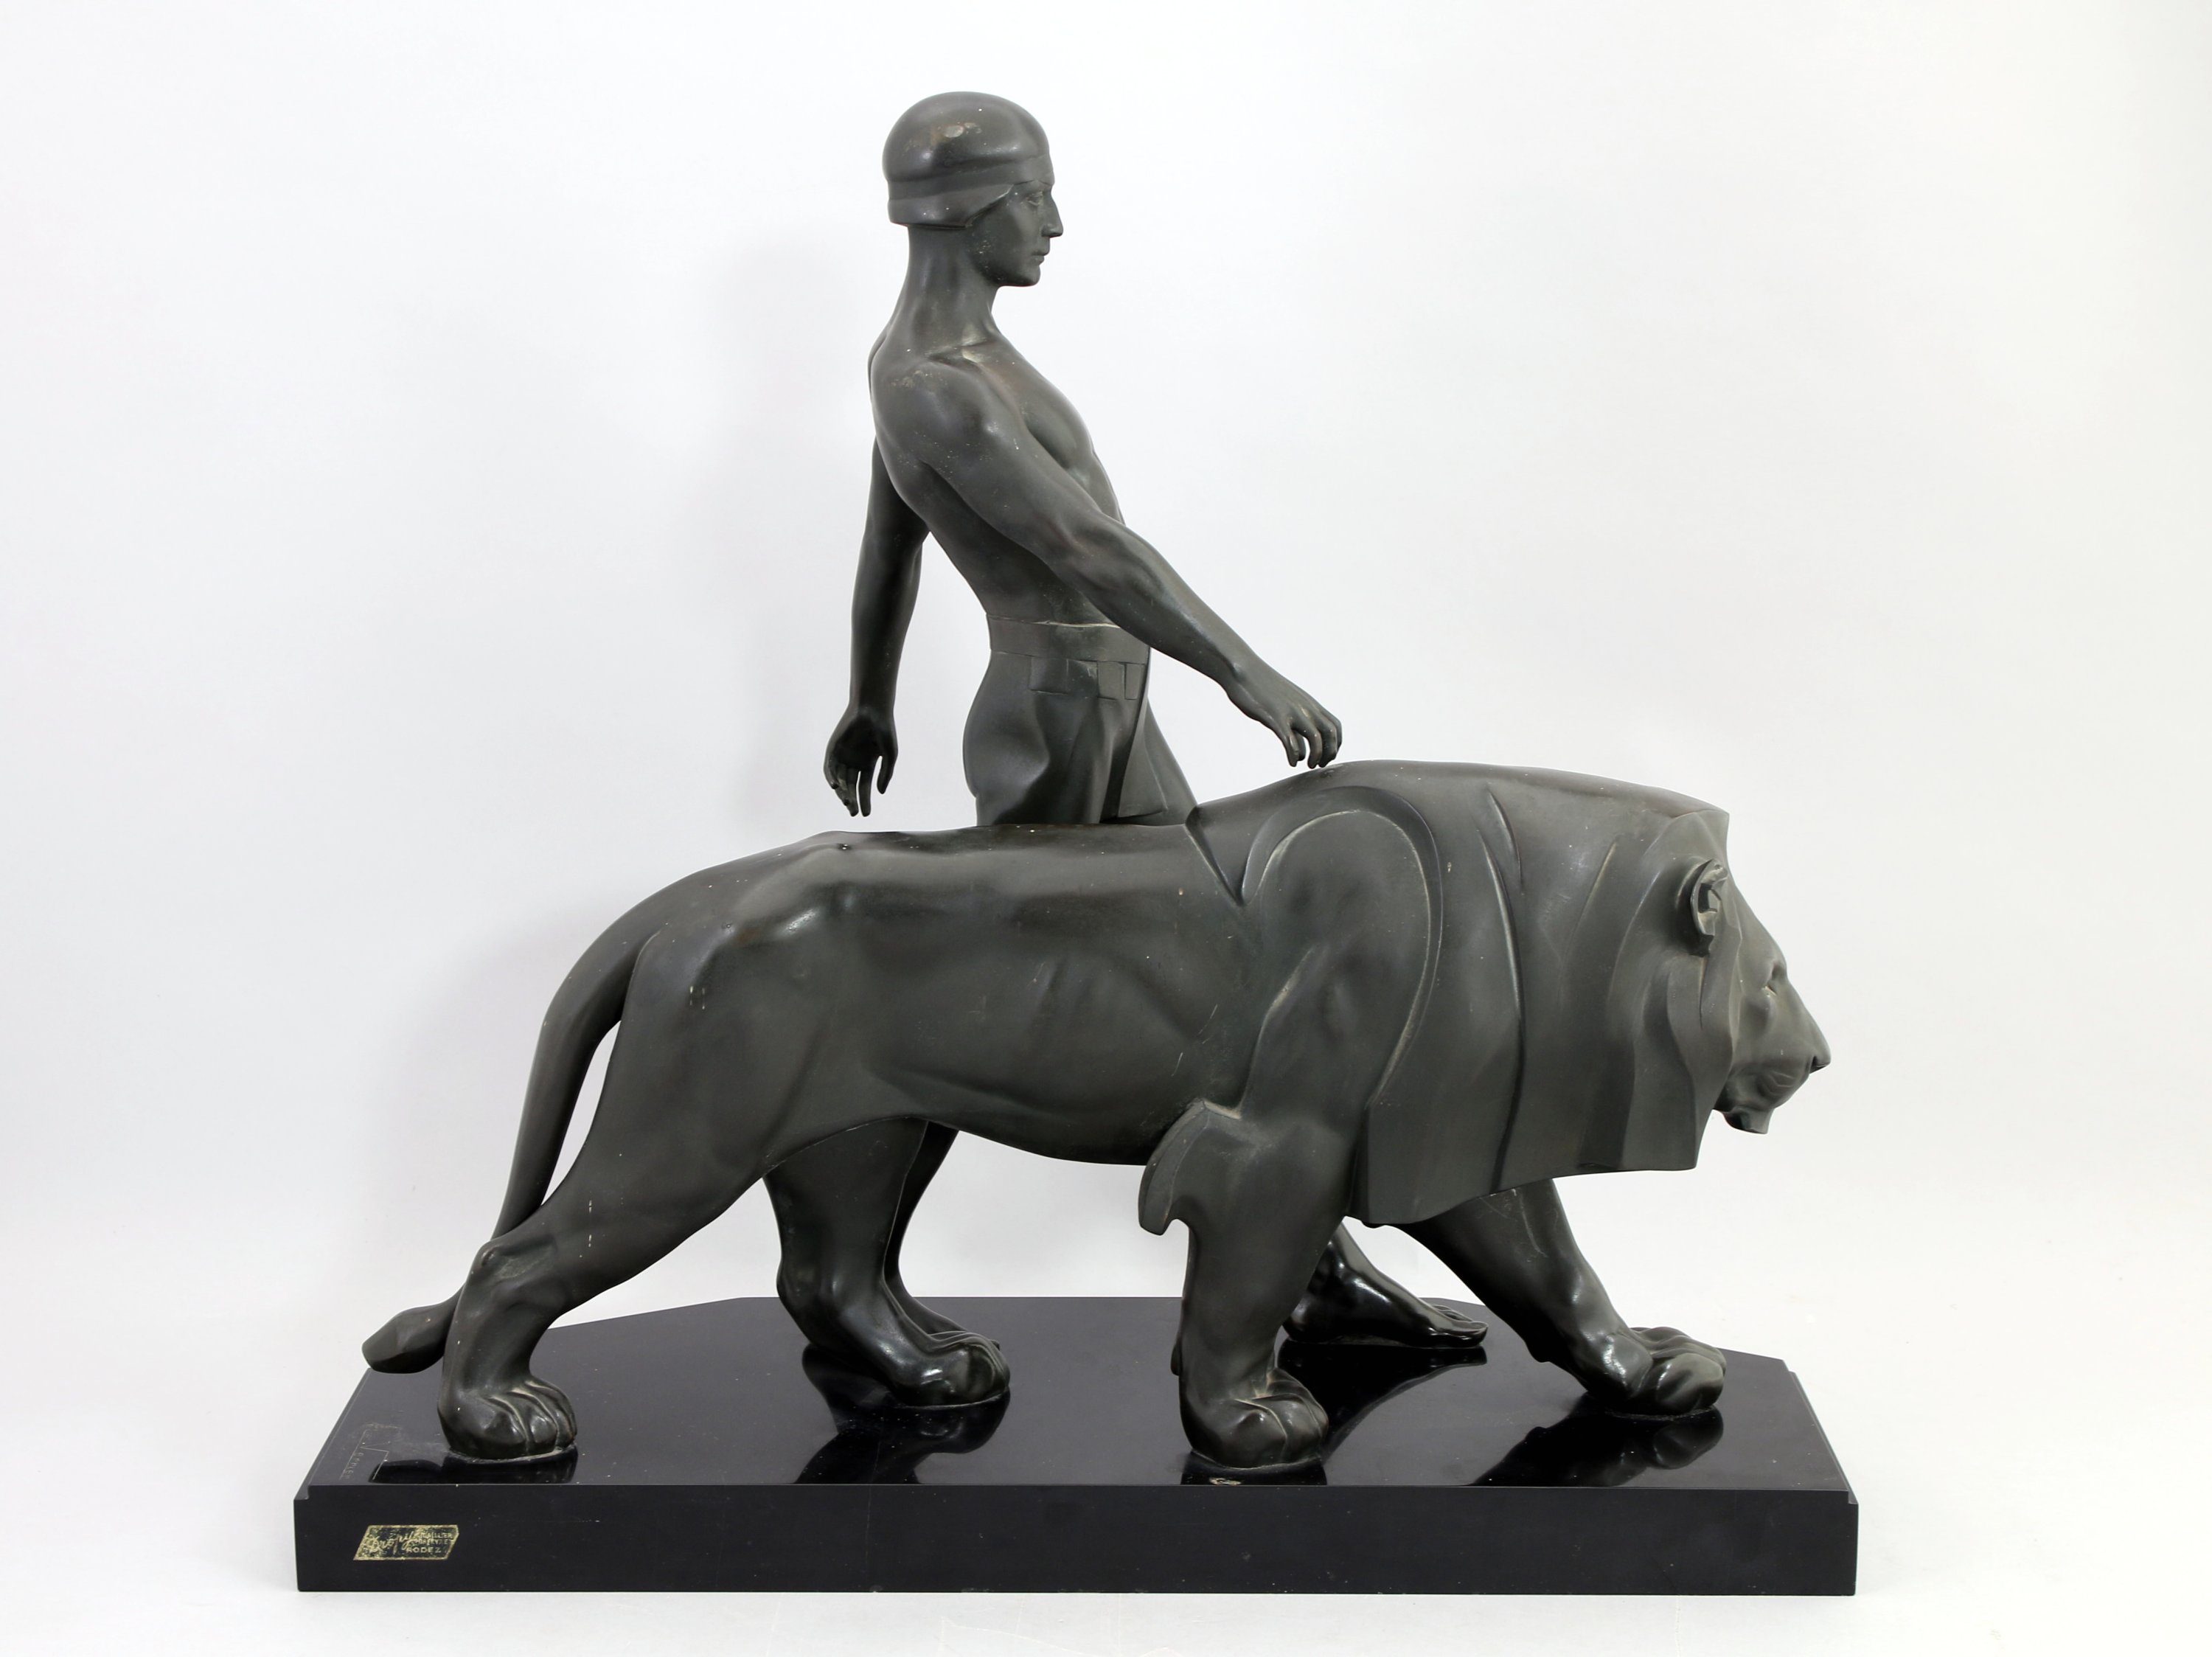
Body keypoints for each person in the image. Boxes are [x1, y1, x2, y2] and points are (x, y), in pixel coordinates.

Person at [764, 93, 1482, 1404]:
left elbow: (887, 543)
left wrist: (869, 698)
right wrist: (1244, 670)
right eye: (1034, 197)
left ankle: (1311, 1266)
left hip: (1100, 704)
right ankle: (848, 1278)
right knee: (963, 1001)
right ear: (971, 211)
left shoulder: (947, 361)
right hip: (1056, 715)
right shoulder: (935, 384)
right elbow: (1089, 549)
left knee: (1235, 972)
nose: (1054, 223)